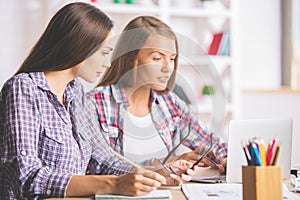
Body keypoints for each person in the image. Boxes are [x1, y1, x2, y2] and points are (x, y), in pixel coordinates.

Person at [0, 3, 196, 199]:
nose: (108, 62)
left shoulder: (75, 93)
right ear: (79, 46)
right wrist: (111, 184)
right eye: (104, 52)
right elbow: (25, 175)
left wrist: (150, 175)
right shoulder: (24, 89)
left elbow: (103, 158)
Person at [87, 16, 228, 173]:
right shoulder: (95, 104)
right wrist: (166, 162)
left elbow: (212, 143)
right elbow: (97, 167)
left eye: (172, 59)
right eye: (157, 58)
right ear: (131, 58)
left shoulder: (170, 103)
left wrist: (225, 159)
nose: (168, 67)